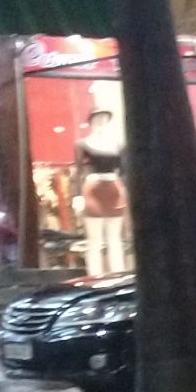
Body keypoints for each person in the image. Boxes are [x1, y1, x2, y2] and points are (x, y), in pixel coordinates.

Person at [78, 108, 128, 275]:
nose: (101, 123)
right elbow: (79, 170)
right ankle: (95, 277)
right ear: (91, 122)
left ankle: (118, 275)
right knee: (94, 239)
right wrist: (77, 195)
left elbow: (124, 170)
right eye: (97, 119)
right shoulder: (83, 144)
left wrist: (124, 188)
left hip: (114, 188)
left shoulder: (118, 145)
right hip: (93, 188)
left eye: (105, 119)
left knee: (115, 238)